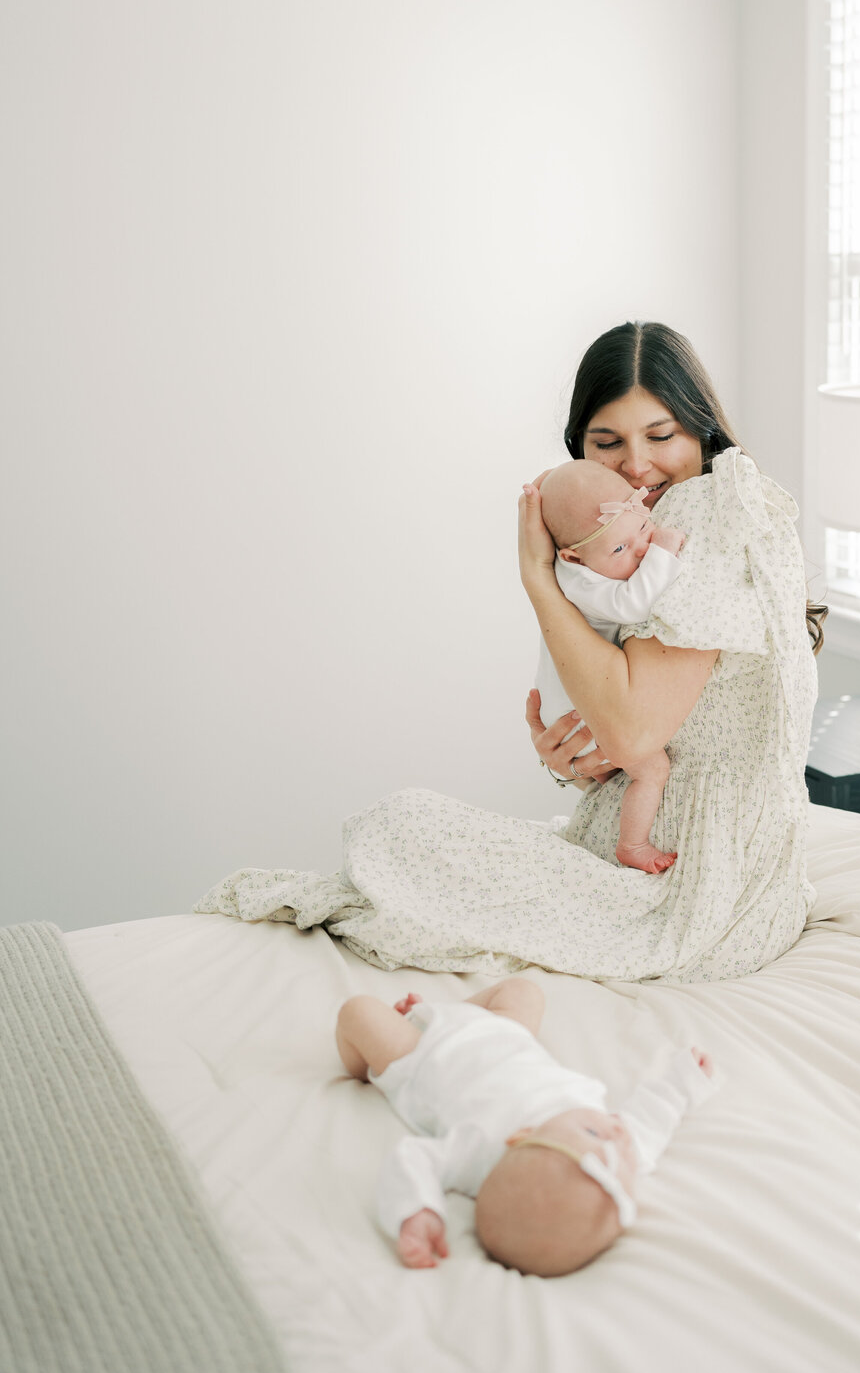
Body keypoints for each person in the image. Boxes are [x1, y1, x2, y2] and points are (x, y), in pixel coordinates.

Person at [197, 321, 827, 983]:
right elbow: (637, 720)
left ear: (702, 431)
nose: (638, 466)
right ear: (578, 451)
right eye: (607, 443)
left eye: (662, 436)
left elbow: (634, 725)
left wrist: (537, 581)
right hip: (627, 846)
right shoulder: (621, 538)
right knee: (403, 826)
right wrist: (583, 767)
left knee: (402, 829)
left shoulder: (709, 516)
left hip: (702, 884)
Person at [335, 978, 715, 1276]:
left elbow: (415, 1157)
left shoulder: (479, 1152)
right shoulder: (619, 1155)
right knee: (524, 991)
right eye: (621, 1150)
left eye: (596, 1135)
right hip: (507, 1036)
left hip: (418, 1060)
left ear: (521, 1138)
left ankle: (372, 1057)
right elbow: (652, 1119)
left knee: (358, 1012)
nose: (618, 1135)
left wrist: (417, 1210)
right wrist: (683, 1083)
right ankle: (435, 1015)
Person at [534, 460, 687, 874]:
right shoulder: (581, 580)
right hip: (577, 711)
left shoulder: (583, 557)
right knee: (652, 768)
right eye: (620, 549)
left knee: (615, 772)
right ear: (572, 556)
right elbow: (634, 602)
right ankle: (632, 845)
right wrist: (663, 550)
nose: (639, 549)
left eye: (642, 529)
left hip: (568, 704)